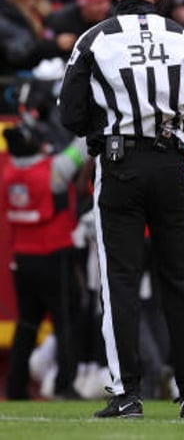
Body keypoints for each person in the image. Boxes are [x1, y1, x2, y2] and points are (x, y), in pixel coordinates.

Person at [58, 0, 184, 419]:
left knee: (120, 282)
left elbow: (70, 113)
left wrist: (100, 134)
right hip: (170, 165)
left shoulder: (93, 40)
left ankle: (127, 393)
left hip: (119, 165)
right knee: (182, 281)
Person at [2, 122, 87, 401]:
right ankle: (65, 385)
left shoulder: (7, 173)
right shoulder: (55, 170)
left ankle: (16, 388)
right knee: (66, 323)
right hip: (55, 256)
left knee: (27, 324)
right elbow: (82, 147)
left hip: (22, 259)